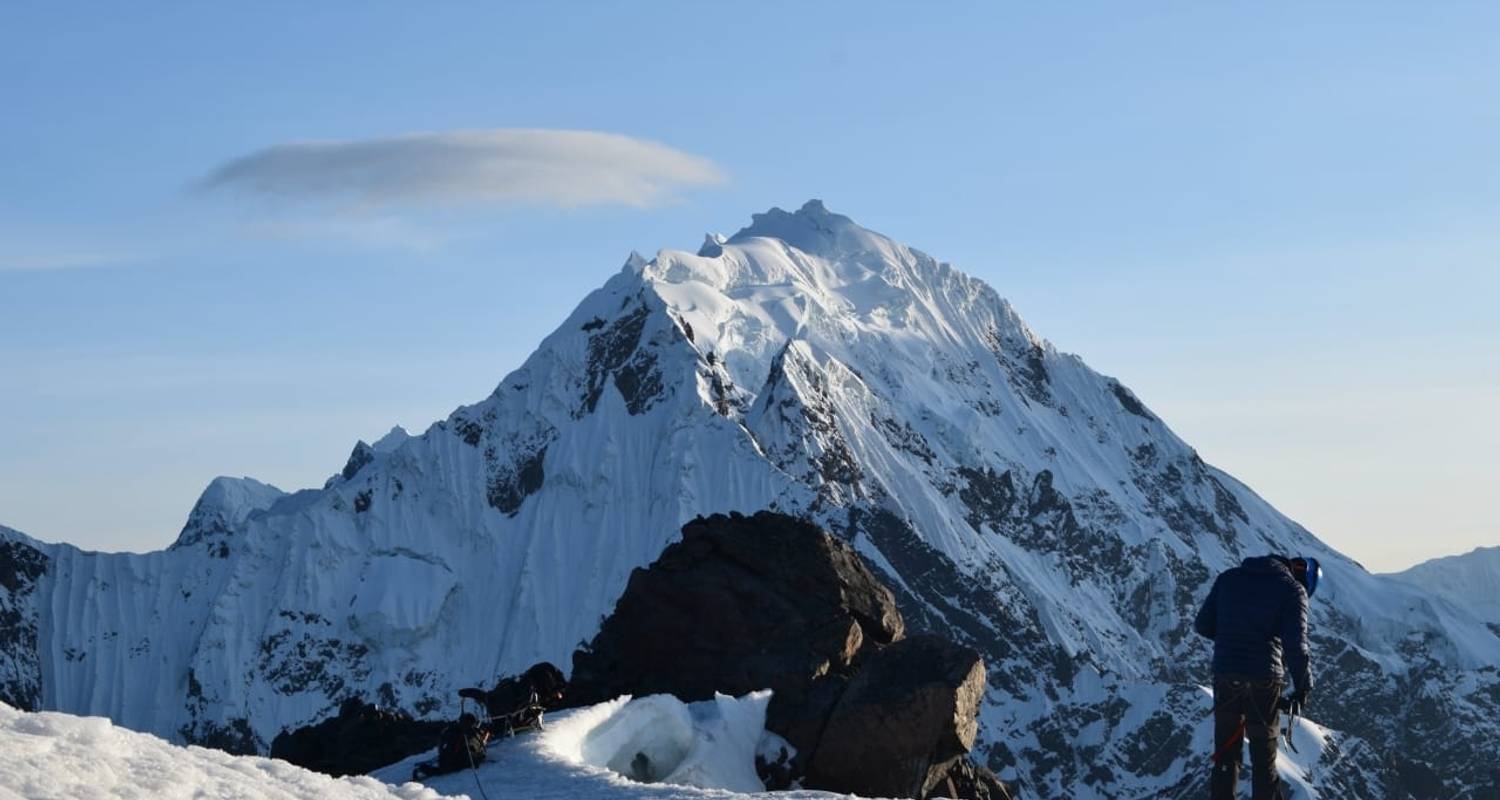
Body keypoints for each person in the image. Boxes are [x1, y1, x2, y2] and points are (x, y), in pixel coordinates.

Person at [1194, 554, 1322, 800]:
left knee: (1225, 756)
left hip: (1225, 676)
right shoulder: (1292, 591)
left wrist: (1234, 640)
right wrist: (1303, 688)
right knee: (1264, 760)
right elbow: (1296, 647)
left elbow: (1203, 625)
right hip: (1264, 679)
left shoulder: (1228, 579)